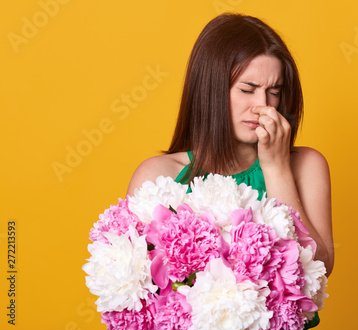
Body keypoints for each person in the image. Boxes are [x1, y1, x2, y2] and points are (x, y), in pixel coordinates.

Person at [127, 13, 334, 277]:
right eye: (248, 89)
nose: (264, 106)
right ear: (211, 90)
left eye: (274, 91)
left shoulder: (306, 166)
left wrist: (276, 168)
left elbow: (320, 267)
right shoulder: (158, 176)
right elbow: (144, 282)